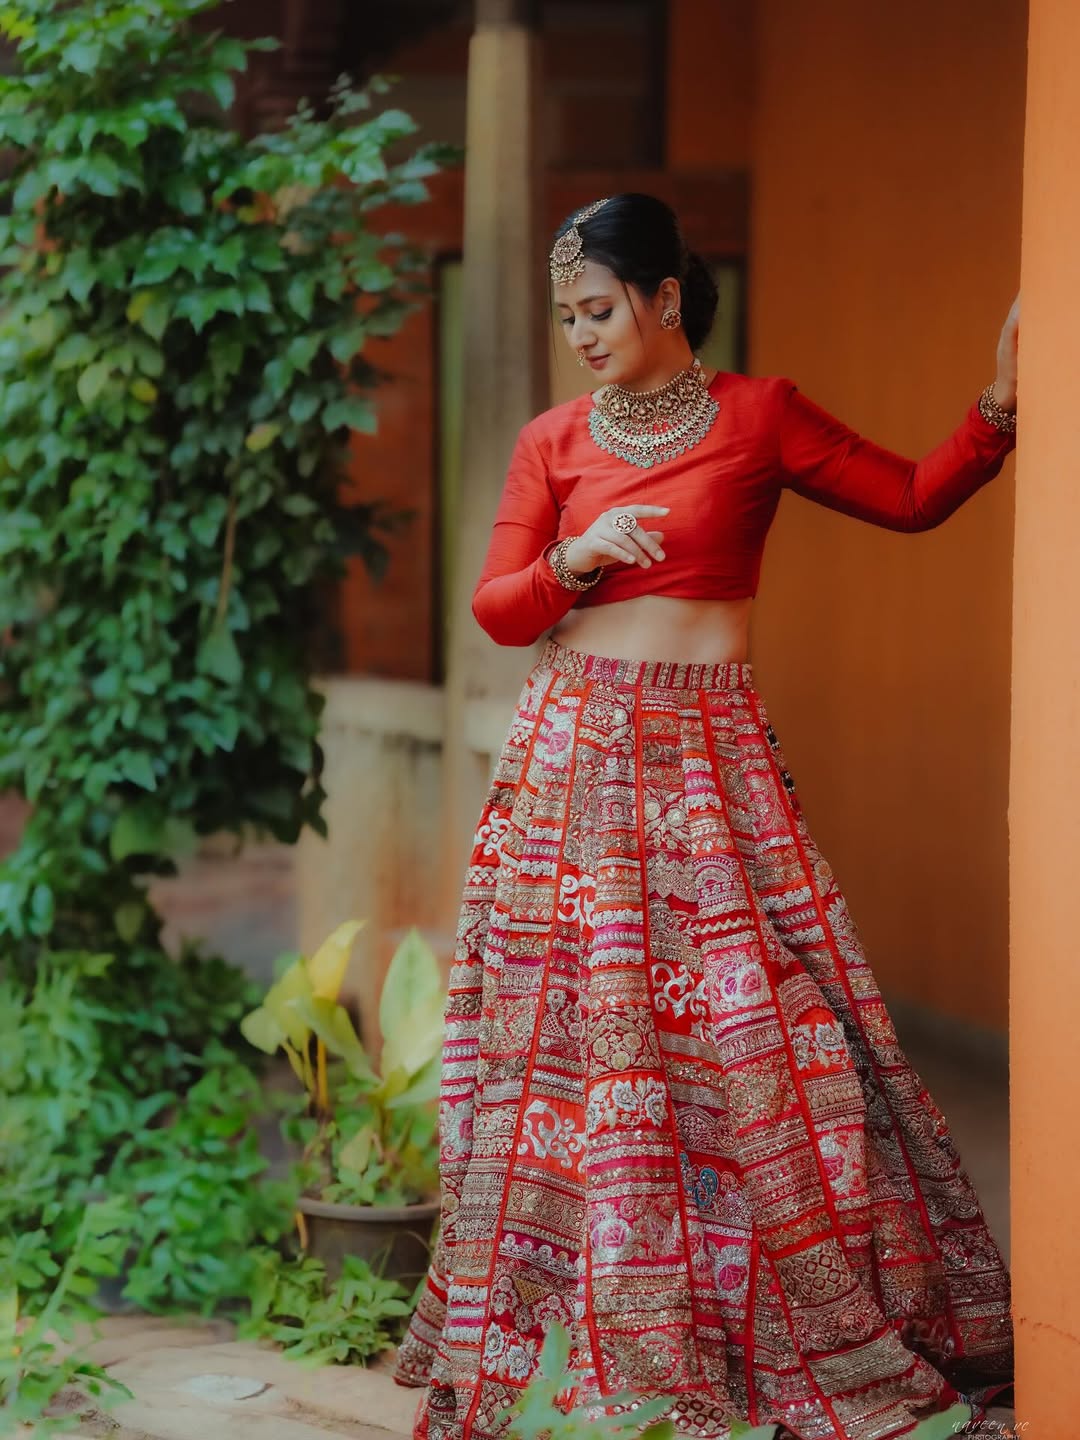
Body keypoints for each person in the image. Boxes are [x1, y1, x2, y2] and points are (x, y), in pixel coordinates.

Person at [393, 193, 1018, 1440]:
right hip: (573, 763)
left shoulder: (760, 415)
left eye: (598, 308)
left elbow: (909, 496)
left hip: (710, 763)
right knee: (579, 1049)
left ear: (665, 297)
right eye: (567, 315)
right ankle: (589, 1335)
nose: (580, 333)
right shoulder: (552, 440)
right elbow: (499, 610)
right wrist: (579, 557)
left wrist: (999, 409)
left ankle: (776, 1319)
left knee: (780, 1034)